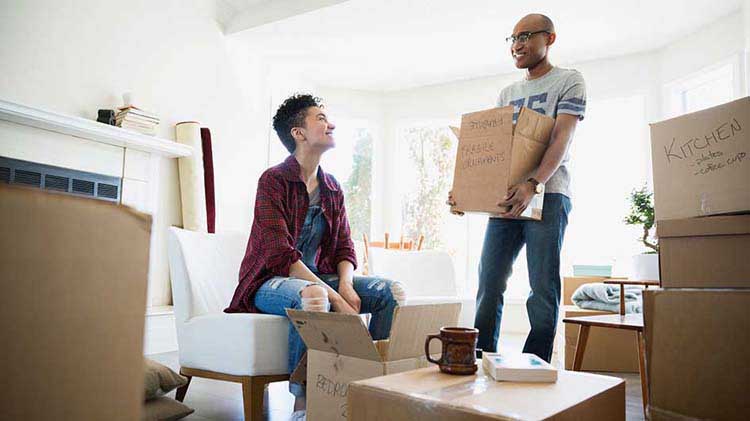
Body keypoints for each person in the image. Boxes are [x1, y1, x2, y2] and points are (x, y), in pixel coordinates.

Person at [225, 94, 405, 419]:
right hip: (270, 281)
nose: (330, 123)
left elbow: (344, 247)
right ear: (299, 133)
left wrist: (347, 285)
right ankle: (303, 402)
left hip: (320, 279)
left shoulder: (332, 187)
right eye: (321, 118)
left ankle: (369, 388)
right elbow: (281, 254)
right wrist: (336, 299)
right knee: (313, 296)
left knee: (390, 293)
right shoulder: (273, 181)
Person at [448, 14, 586, 362]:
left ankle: (534, 365)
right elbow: (496, 152)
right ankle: (481, 362)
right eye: (512, 39)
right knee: (489, 283)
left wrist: (534, 184)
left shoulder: (569, 81)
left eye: (525, 36)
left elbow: (562, 138)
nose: (517, 45)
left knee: (542, 287)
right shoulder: (508, 93)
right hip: (506, 200)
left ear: (549, 38)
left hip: (549, 195)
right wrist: (468, 193)